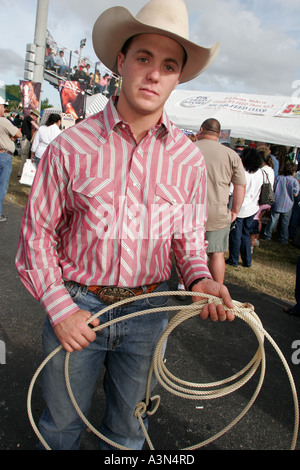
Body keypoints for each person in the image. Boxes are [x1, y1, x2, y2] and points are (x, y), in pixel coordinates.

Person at [16, 0, 234, 451]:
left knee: (129, 435)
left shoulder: (187, 160)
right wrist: (60, 309)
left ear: (178, 77)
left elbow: (188, 241)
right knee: (60, 430)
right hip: (78, 308)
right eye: (143, 58)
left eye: (169, 65)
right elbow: (36, 236)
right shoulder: (70, 147)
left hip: (149, 315)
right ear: (121, 62)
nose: (154, 74)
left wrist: (200, 278)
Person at [195, 118, 246, 283]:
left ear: (201, 129)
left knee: (190, 252)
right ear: (219, 134)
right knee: (216, 253)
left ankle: (184, 287)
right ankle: (217, 291)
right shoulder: (231, 154)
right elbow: (240, 186)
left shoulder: (189, 149)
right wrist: (235, 211)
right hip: (218, 211)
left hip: (190, 210)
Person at [226, 148, 264, 267]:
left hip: (239, 207)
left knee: (235, 234)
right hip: (253, 207)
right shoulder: (261, 173)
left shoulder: (241, 172)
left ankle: (233, 259)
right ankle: (247, 260)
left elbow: (231, 190)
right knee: (245, 233)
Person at [263, 161, 299, 244]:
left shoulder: (279, 178)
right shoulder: (294, 182)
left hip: (277, 202)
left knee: (273, 220)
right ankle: (283, 238)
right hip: (288, 204)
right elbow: (295, 194)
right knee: (285, 223)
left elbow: (273, 188)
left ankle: (267, 235)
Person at [0, 97, 22, 222]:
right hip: (4, 155)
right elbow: (18, 134)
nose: (4, 109)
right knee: (2, 186)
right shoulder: (4, 121)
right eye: (3, 106)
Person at [18, 109, 39, 177]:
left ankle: (21, 173)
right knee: (24, 157)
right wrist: (40, 129)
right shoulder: (28, 117)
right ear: (33, 115)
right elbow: (34, 125)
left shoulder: (26, 118)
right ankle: (21, 173)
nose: (36, 119)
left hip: (25, 140)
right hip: (25, 140)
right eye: (36, 117)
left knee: (24, 157)